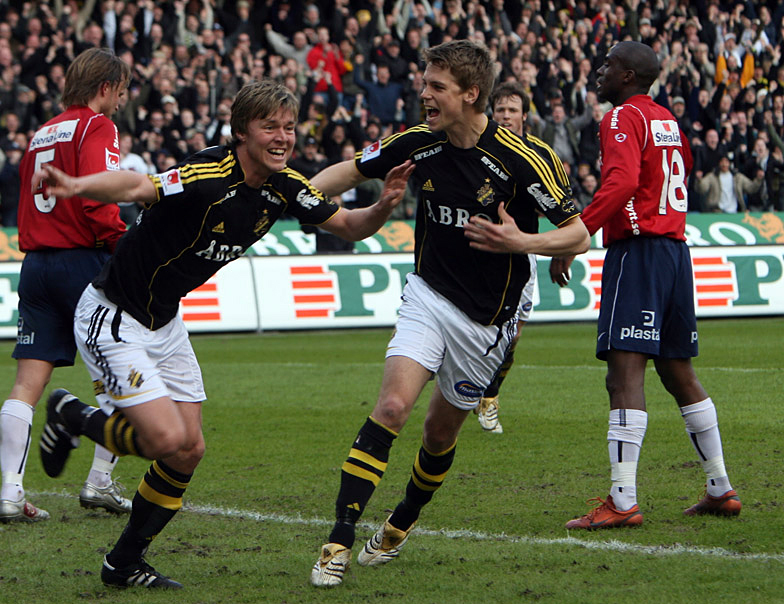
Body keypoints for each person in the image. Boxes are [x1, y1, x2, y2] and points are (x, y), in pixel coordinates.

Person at [32, 78, 414, 589]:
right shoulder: (209, 172)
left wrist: (385, 205)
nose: (283, 137)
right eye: (269, 127)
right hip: (114, 315)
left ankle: (121, 564)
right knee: (164, 439)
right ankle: (70, 412)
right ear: (240, 133)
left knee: (188, 450)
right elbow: (138, 186)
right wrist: (79, 186)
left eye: (289, 127)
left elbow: (347, 225)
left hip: (164, 323)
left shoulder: (284, 186)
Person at [308, 40, 590, 588]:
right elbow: (347, 172)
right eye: (425, 83)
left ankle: (401, 523)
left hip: (487, 322)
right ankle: (337, 542)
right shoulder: (419, 143)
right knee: (392, 406)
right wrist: (283, 195)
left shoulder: (526, 159)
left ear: (470, 94)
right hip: (429, 296)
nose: (424, 94)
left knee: (438, 436)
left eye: (436, 86)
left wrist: (521, 241)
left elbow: (577, 232)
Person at [551, 41, 741, 531]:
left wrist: (575, 237)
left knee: (623, 373)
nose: (600, 70)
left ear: (630, 75)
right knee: (679, 373)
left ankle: (622, 498)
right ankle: (720, 486)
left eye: (610, 64)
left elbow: (619, 184)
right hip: (675, 252)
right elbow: (680, 172)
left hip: (638, 252)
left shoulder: (620, 118)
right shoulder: (668, 120)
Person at [0, 48, 133, 525]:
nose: (120, 101)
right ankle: (99, 483)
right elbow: (101, 191)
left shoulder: (39, 134)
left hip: (36, 265)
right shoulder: (97, 127)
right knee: (125, 372)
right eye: (119, 91)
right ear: (104, 88)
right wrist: (124, 243)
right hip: (83, 263)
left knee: (26, 382)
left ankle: (11, 494)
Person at [473, 81, 574, 434]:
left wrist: (563, 251)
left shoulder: (541, 155)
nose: (504, 116)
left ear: (525, 117)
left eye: (511, 110)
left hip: (521, 255)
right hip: (477, 251)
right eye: (499, 110)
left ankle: (489, 397)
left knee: (512, 337)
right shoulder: (475, 148)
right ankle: (462, 387)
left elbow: (565, 211)